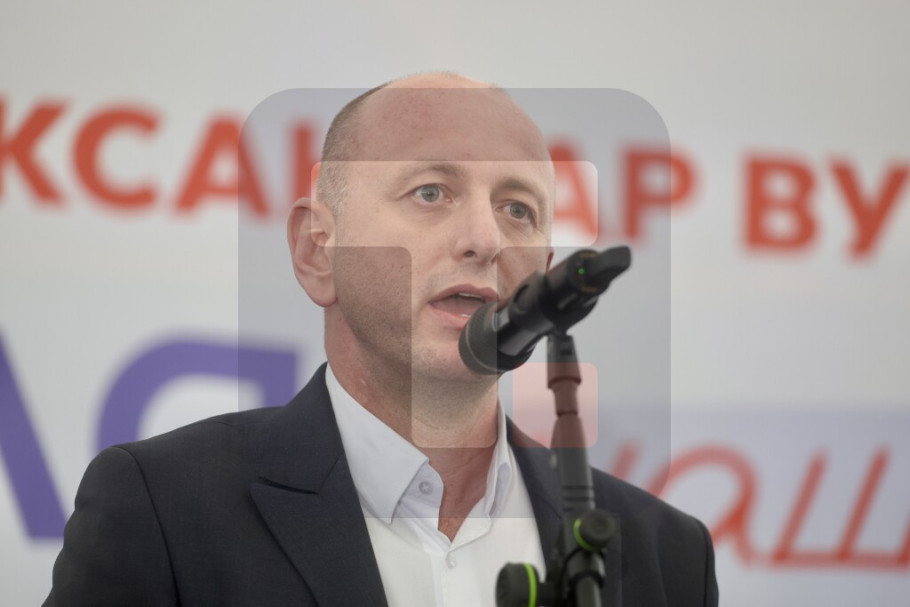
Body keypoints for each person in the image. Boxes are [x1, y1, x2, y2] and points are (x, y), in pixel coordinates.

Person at [45, 73, 718, 606]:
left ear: (542, 273)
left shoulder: (665, 553)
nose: (486, 239)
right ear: (317, 250)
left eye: (517, 208)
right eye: (431, 192)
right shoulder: (163, 509)